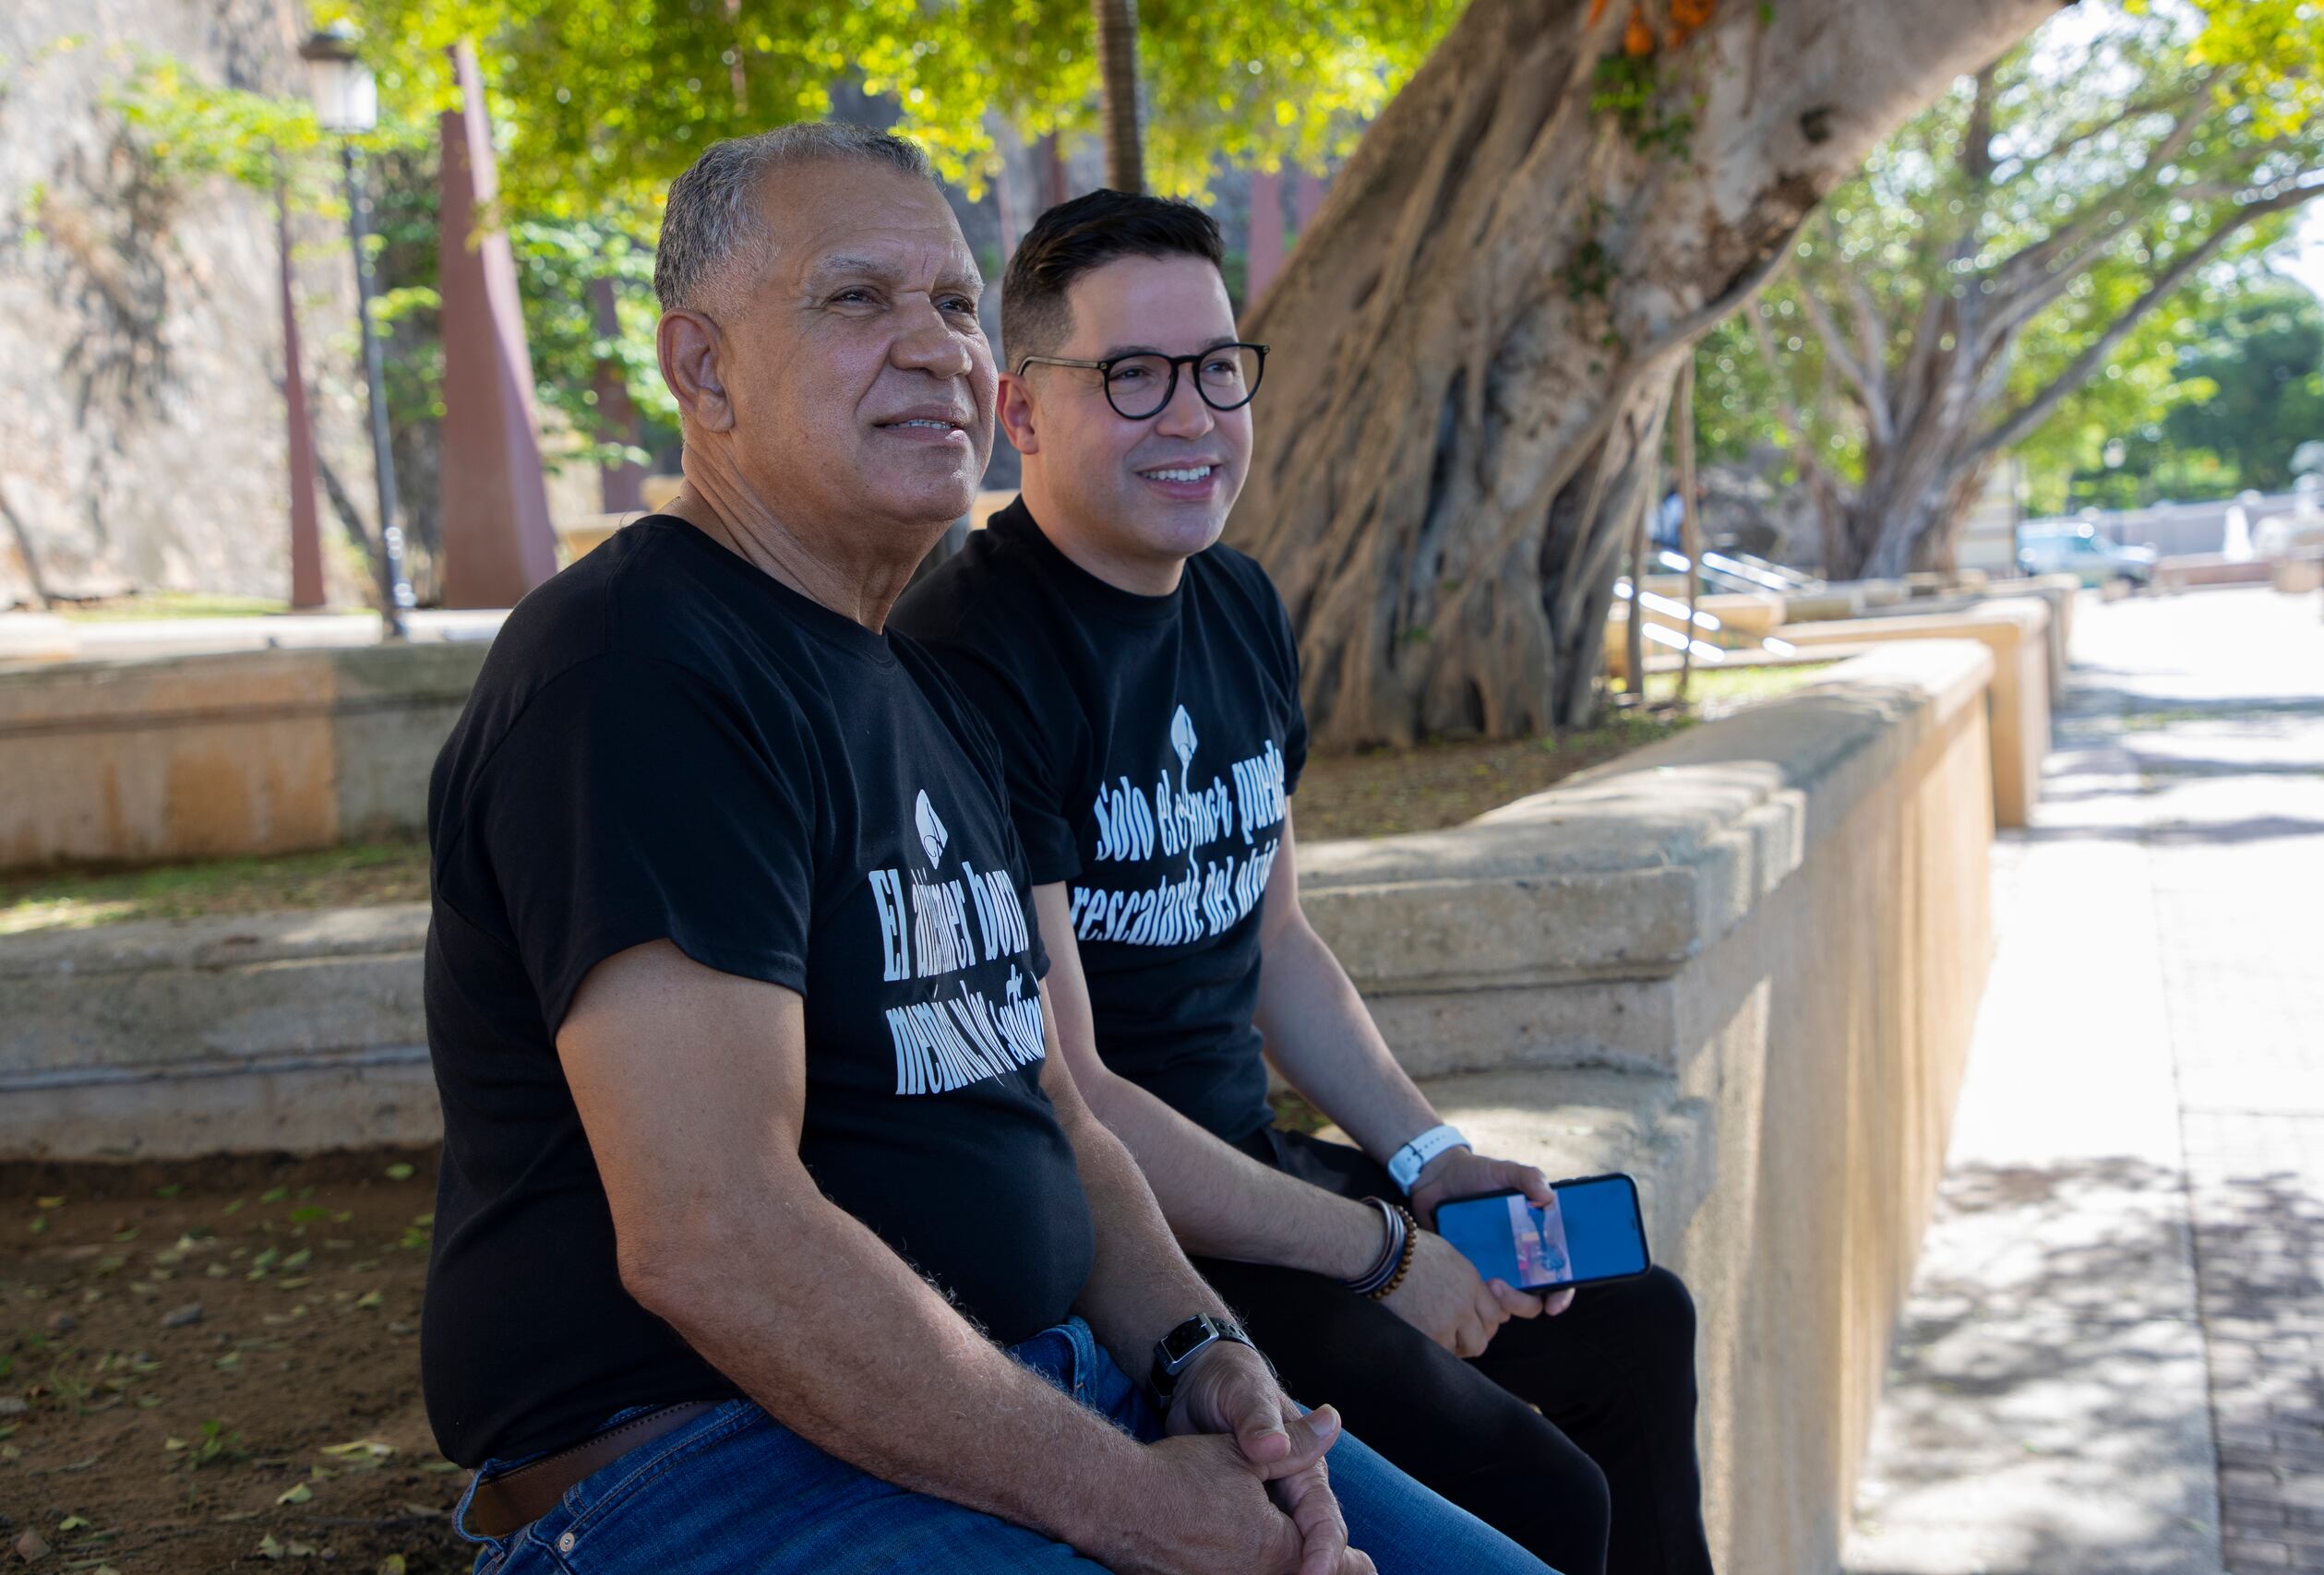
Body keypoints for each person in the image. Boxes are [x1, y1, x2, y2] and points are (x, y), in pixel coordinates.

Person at [417, 125, 1553, 1575]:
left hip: (1032, 1388)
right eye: (856, 299)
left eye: (955, 304)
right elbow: (714, 1233)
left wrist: (1200, 1351)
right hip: (710, 1469)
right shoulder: (639, 672)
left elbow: (1054, 1110)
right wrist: (1142, 1507)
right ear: (703, 371)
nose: (937, 348)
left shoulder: (913, 688)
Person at [893, 190, 1715, 1575]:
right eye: (1132, 375)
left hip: (1260, 1173)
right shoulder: (971, 655)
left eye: (1217, 367)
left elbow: (1276, 942)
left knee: (1638, 1324)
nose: (1192, 415)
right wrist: (1380, 1253)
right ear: (1021, 411)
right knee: (1542, 1493)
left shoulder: (1240, 605)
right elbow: (1072, 1089)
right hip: (1126, 1244)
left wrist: (1431, 1164)